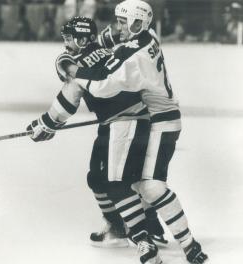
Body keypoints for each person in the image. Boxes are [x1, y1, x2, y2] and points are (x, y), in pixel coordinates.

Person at [63, 1, 208, 263]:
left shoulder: (134, 56)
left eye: (122, 22)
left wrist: (71, 68)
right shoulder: (148, 35)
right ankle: (168, 236)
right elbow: (115, 39)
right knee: (137, 181)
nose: (118, 27)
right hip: (160, 119)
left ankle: (179, 242)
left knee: (147, 186)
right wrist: (99, 40)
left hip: (159, 122)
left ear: (137, 23)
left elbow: (100, 86)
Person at [27, 16, 163, 264]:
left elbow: (72, 92)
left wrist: (46, 123)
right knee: (97, 177)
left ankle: (144, 236)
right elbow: (112, 40)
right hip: (120, 122)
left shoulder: (72, 61)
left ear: (82, 38)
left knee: (117, 182)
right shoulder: (107, 48)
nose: (65, 44)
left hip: (126, 123)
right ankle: (119, 226)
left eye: (69, 39)